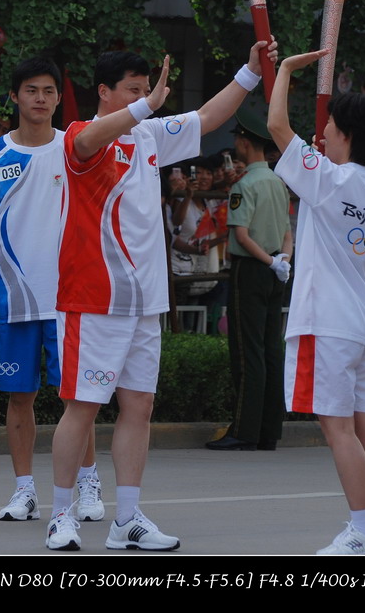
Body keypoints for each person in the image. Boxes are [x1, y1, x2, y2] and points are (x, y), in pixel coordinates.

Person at [48, 40, 277, 551]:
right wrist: (145, 107)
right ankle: (61, 515)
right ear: (104, 92)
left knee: (140, 406)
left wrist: (249, 72)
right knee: (82, 408)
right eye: (132, 90)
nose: (144, 97)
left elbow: (208, 116)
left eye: (145, 89)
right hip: (94, 297)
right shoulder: (80, 135)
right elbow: (90, 142)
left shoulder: (150, 135)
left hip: (145, 301)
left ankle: (127, 519)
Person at [0, 57, 102, 524]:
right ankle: (24, 490)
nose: (40, 99)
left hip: (69, 298)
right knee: (19, 396)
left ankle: (88, 483)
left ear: (58, 98)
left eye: (48, 91)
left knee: (75, 398)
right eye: (31, 90)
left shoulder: (76, 149)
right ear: (15, 96)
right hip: (14, 299)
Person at [267, 50, 365, 555]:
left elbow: (276, 125)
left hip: (328, 322)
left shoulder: (326, 179)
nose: (323, 133)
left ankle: (363, 532)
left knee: (339, 430)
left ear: (347, 134)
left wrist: (282, 71)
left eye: (330, 126)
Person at [205, 106, 292, 451]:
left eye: (238, 139)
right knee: (271, 348)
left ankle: (244, 430)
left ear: (244, 143)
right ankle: (269, 431)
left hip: (251, 269)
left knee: (246, 350)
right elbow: (287, 232)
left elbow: (241, 236)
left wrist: (269, 261)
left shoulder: (245, 185)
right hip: (275, 270)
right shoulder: (278, 182)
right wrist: (281, 261)